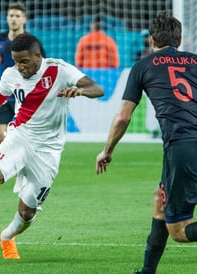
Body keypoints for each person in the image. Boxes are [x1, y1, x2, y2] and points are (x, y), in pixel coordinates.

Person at [0, 33, 104, 259]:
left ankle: (7, 236)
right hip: (20, 136)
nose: (20, 67)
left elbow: (97, 88)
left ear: (37, 56)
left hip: (48, 150)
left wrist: (80, 91)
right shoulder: (10, 75)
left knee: (27, 212)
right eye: (15, 61)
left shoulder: (59, 69)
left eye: (24, 61)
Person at [95, 11, 197, 274]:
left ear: (152, 40)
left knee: (179, 231)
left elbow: (122, 118)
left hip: (183, 146)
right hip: (188, 143)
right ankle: (146, 271)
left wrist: (107, 150)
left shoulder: (143, 66)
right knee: (159, 201)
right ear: (180, 39)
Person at [0, 2, 46, 144]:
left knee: (28, 136)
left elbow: (44, 67)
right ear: (7, 18)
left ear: (24, 19)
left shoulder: (32, 41)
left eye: (17, 16)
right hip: (5, 94)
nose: (14, 19)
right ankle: (13, 160)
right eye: (11, 15)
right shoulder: (0, 39)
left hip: (26, 95)